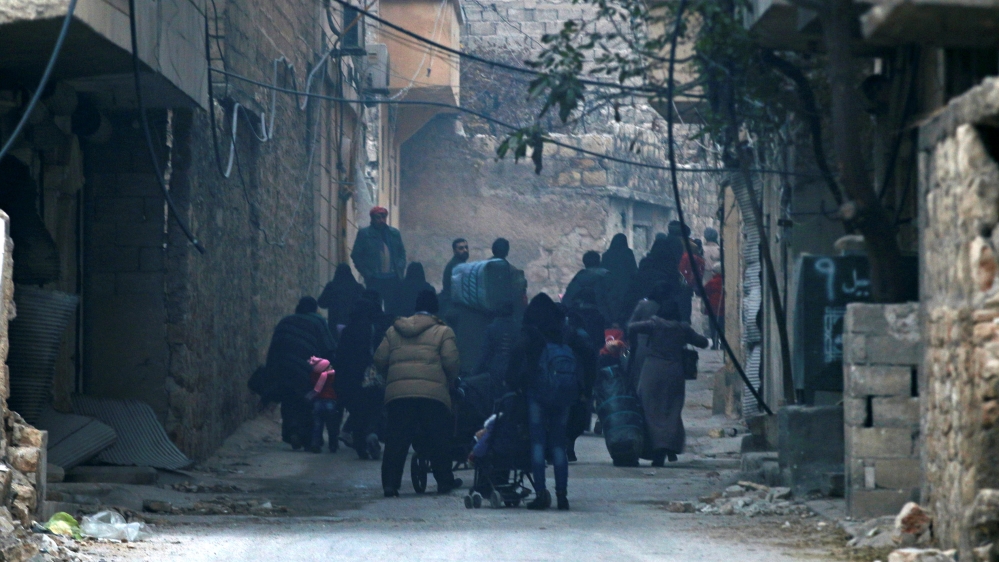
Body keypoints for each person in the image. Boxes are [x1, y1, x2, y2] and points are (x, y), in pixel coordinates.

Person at [375, 289, 462, 497]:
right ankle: (444, 481)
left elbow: (379, 359)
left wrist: (393, 377)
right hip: (432, 395)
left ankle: (390, 484)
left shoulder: (394, 330)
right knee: (438, 437)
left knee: (396, 439)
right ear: (435, 309)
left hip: (399, 395)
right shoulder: (443, 332)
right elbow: (451, 363)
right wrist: (449, 381)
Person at [507, 293, 578, 510]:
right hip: (563, 393)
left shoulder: (530, 333)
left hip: (537, 394)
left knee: (537, 443)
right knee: (559, 444)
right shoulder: (563, 331)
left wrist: (514, 383)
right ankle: (562, 494)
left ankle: (540, 493)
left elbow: (516, 360)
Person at [628, 300, 709, 466]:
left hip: (652, 370)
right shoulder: (682, 328)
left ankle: (654, 448)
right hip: (674, 372)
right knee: (671, 410)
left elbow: (632, 327)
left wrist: (636, 344)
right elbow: (702, 342)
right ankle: (668, 447)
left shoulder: (654, 324)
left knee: (649, 409)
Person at [263, 297, 337, 450]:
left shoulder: (285, 321)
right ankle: (306, 436)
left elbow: (274, 348)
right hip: (307, 370)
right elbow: (328, 347)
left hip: (284, 368)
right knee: (306, 403)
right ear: (314, 309)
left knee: (289, 400)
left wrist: (271, 371)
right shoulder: (318, 322)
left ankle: (292, 431)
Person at [333, 296, 385, 460]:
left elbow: (340, 356)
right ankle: (372, 433)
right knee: (374, 407)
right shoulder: (374, 329)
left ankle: (360, 444)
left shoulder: (348, 330)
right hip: (370, 376)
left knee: (358, 411)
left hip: (350, 377)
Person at [351, 206, 406, 308]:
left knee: (392, 308)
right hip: (374, 278)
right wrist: (367, 273)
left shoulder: (394, 233)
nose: (381, 220)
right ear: (372, 218)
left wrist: (400, 266)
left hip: (392, 278)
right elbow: (356, 255)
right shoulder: (364, 234)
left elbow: (401, 252)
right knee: (374, 307)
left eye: (383, 217)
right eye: (378, 217)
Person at [473, 302, 518, 400]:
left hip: (495, 370)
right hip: (513, 370)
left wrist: (474, 372)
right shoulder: (518, 328)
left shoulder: (492, 328)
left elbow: (484, 354)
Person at [562, 250, 612, 325]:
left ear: (584, 263)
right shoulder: (606, 275)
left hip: (580, 316)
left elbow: (568, 297)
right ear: (599, 261)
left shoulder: (579, 277)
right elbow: (612, 297)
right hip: (602, 316)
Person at [317, 263, 364, 335]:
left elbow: (322, 303)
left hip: (334, 323)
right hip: (353, 323)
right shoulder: (358, 288)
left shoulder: (331, 287)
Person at [602, 233, 637, 326]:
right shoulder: (628, 253)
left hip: (609, 288)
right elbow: (633, 271)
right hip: (625, 287)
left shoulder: (606, 255)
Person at [306, 357, 338, 453]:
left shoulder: (314, 375)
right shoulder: (330, 375)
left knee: (317, 425)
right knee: (331, 426)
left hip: (318, 402)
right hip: (330, 402)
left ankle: (315, 444)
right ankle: (333, 445)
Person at [441, 238, 470, 303]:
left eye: (466, 247)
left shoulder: (460, 263)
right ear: (454, 251)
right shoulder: (457, 266)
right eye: (461, 248)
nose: (465, 250)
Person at [703, 262, 724, 349]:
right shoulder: (726, 282)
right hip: (723, 310)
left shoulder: (711, 282)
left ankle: (715, 344)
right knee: (723, 327)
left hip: (713, 309)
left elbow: (704, 291)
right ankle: (723, 345)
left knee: (713, 327)